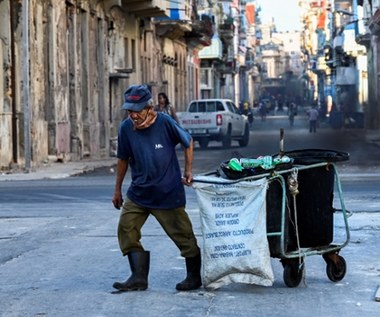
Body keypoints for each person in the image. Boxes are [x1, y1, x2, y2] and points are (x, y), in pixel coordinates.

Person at [111, 84, 201, 292]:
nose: (133, 115)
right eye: (130, 110)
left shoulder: (164, 122)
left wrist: (188, 170)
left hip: (167, 192)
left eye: (137, 110)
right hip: (139, 192)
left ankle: (193, 277)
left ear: (148, 107)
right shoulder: (126, 128)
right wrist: (117, 189)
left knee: (183, 235)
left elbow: (188, 141)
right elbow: (123, 159)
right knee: (126, 228)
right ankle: (138, 277)